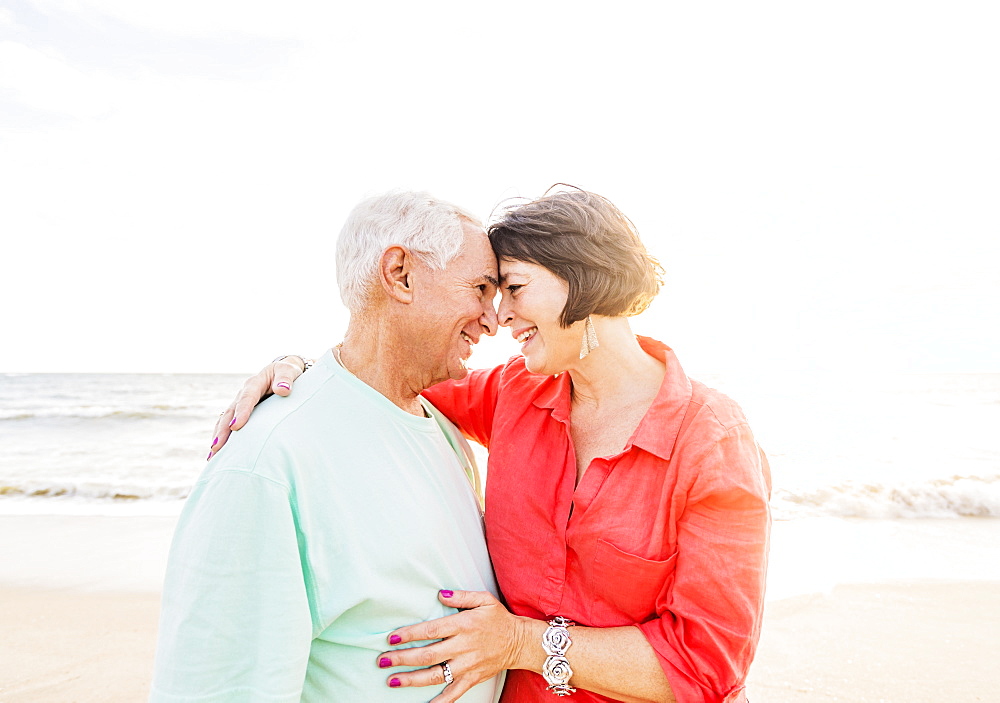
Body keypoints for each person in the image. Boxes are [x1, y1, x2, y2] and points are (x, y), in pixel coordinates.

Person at [216, 188, 771, 703]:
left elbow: (708, 662)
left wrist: (520, 642)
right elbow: (389, 367)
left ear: (585, 280)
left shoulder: (712, 440)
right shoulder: (515, 392)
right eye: (491, 292)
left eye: (515, 289)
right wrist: (303, 371)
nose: (499, 316)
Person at [150, 192, 506, 702]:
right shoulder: (267, 461)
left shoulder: (445, 434)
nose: (492, 319)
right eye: (479, 289)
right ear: (400, 274)